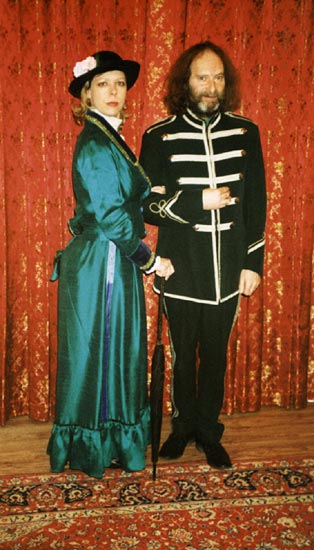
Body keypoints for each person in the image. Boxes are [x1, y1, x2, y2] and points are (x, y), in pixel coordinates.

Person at [47, 50, 174, 478]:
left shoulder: (109, 136)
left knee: (114, 350)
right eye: (103, 84)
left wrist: (144, 191)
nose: (114, 91)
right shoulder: (97, 141)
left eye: (119, 83)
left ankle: (111, 439)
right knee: (102, 352)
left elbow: (118, 197)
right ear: (86, 94)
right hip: (104, 258)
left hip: (108, 258)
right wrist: (150, 259)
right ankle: (96, 445)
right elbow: (111, 216)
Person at [140, 41, 266, 469]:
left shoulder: (246, 132)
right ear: (185, 82)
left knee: (215, 355)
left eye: (218, 77)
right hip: (181, 268)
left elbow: (257, 203)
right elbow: (145, 206)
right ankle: (181, 427)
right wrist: (199, 201)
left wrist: (253, 263)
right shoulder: (158, 136)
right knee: (181, 353)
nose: (211, 86)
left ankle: (209, 431)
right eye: (201, 77)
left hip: (230, 267)